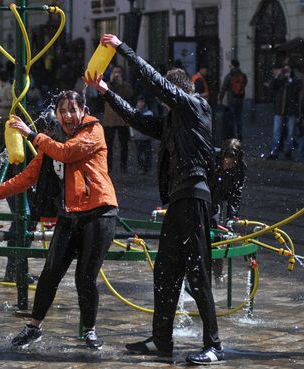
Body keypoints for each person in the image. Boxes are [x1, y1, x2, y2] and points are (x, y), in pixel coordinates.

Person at [85, 34, 223, 364]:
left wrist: (122, 49)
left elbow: (155, 81)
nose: (163, 103)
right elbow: (137, 119)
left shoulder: (195, 107)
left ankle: (214, 345)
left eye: (167, 98)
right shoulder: (176, 120)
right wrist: (105, 92)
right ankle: (161, 340)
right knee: (165, 272)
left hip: (194, 198)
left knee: (198, 273)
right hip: (178, 200)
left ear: (177, 94)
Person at [0, 90, 118, 350]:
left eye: (73, 110)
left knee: (85, 278)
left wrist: (31, 134)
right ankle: (34, 327)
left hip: (100, 212)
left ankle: (90, 331)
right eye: (63, 111)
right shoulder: (52, 143)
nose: (68, 116)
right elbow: (26, 178)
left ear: (83, 110)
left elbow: (67, 153)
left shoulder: (93, 130)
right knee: (50, 273)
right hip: (69, 215)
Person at [209, 138, 246, 281]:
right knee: (207, 233)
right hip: (205, 197)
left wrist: (232, 217)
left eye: (232, 161)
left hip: (219, 199)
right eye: (226, 160)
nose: (228, 164)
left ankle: (217, 275)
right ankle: (192, 275)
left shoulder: (240, 168)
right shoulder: (212, 159)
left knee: (220, 236)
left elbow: (236, 193)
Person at [267, 63, 303, 160]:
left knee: (291, 133)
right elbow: (271, 88)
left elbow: (297, 89)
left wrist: (290, 80)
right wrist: (277, 76)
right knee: (276, 132)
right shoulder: (279, 80)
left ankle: (288, 152)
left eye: (288, 70)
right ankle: (274, 152)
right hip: (279, 110)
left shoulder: (296, 80)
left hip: (291, 111)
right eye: (285, 70)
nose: (286, 72)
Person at [103, 65, 133, 173]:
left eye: (118, 72)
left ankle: (123, 166)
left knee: (124, 144)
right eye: (114, 72)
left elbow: (129, 95)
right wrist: (110, 83)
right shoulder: (106, 85)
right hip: (109, 120)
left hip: (122, 119)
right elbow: (102, 94)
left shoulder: (126, 85)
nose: (116, 75)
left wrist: (121, 85)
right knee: (108, 145)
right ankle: (108, 166)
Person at [218, 60, 247, 140]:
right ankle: (239, 135)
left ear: (233, 66)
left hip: (232, 100)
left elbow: (223, 88)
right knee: (239, 117)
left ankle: (232, 135)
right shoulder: (243, 75)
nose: (229, 67)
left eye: (230, 65)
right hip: (240, 99)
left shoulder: (229, 76)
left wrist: (220, 99)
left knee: (231, 118)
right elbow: (244, 84)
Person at [131, 96, 153, 175]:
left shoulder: (149, 113)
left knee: (147, 154)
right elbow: (131, 125)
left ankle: (147, 168)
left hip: (146, 137)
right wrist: (132, 134)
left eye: (142, 102)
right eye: (139, 102)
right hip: (138, 136)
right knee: (139, 154)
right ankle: (141, 168)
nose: (140, 104)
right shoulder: (134, 112)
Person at [0, 70, 13, 147]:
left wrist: (0, 104)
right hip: (0, 114)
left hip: (6, 116)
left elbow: (12, 102)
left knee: (4, 138)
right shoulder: (0, 86)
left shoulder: (8, 87)